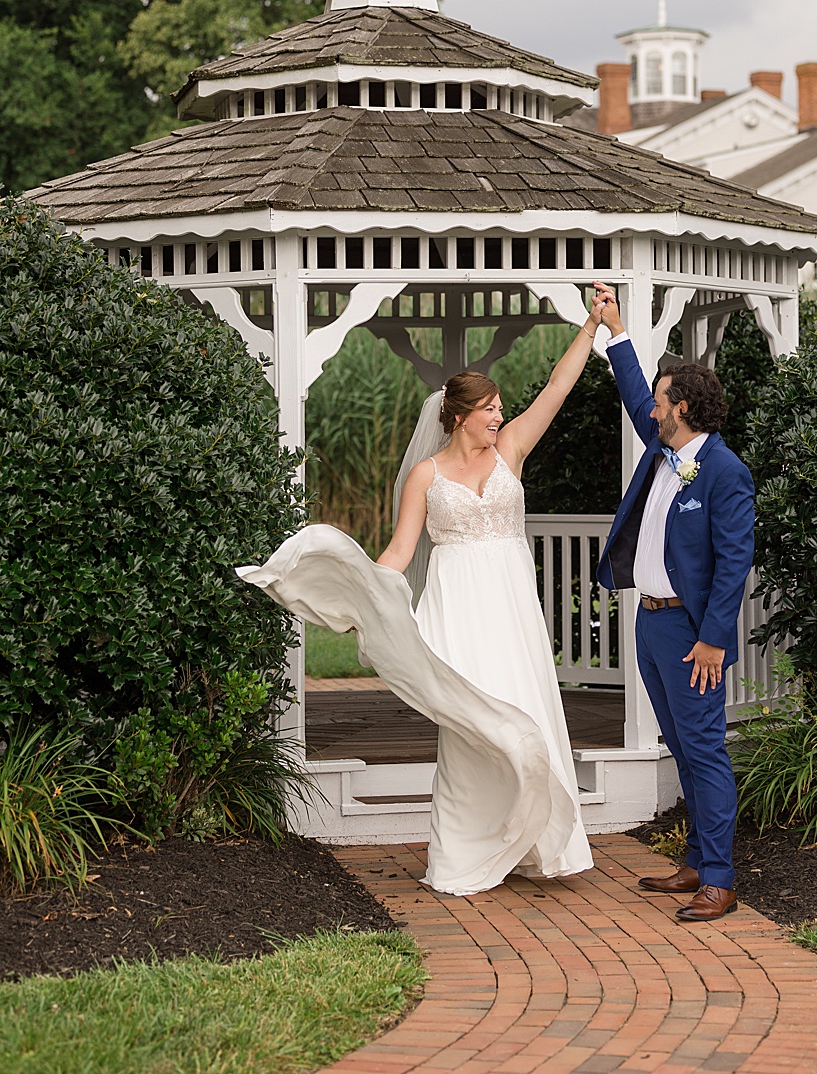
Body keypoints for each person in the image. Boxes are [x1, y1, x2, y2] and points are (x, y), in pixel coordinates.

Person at [243, 288, 614, 896]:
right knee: (471, 725)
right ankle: (467, 851)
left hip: (510, 600)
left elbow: (557, 387)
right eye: (489, 408)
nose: (499, 415)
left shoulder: (513, 450)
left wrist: (591, 325)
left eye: (499, 408)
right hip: (459, 600)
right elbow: (399, 551)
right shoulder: (425, 474)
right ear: (459, 415)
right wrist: (374, 599)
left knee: (525, 707)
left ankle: (538, 841)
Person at [591, 284, 755, 924]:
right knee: (683, 747)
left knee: (705, 748)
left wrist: (714, 638)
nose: (651, 411)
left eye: (661, 402)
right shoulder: (663, 449)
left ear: (681, 408)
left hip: (693, 634)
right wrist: (617, 329)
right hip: (650, 624)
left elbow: (733, 562)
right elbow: (636, 394)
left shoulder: (723, 471)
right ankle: (694, 859)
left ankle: (719, 877)